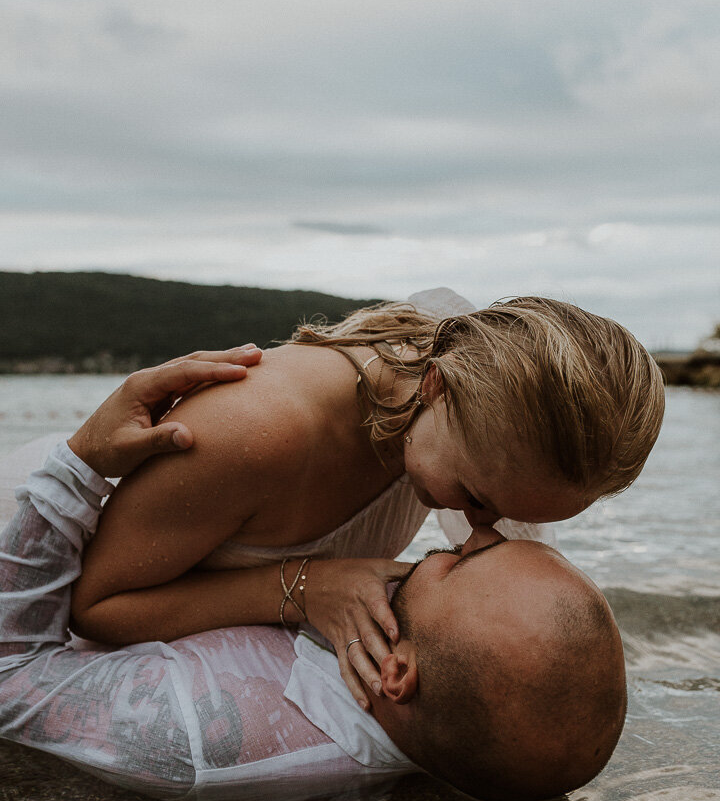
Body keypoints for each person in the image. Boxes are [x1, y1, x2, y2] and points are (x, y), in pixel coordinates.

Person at [0, 357, 627, 801]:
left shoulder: (196, 729)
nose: (478, 531)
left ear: (399, 674)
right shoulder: (456, 717)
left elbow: (11, 680)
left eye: (462, 560)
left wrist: (78, 464)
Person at [67, 289, 663, 711]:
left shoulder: (456, 406)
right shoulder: (251, 432)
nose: (481, 530)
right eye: (478, 500)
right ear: (437, 386)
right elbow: (94, 607)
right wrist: (304, 587)